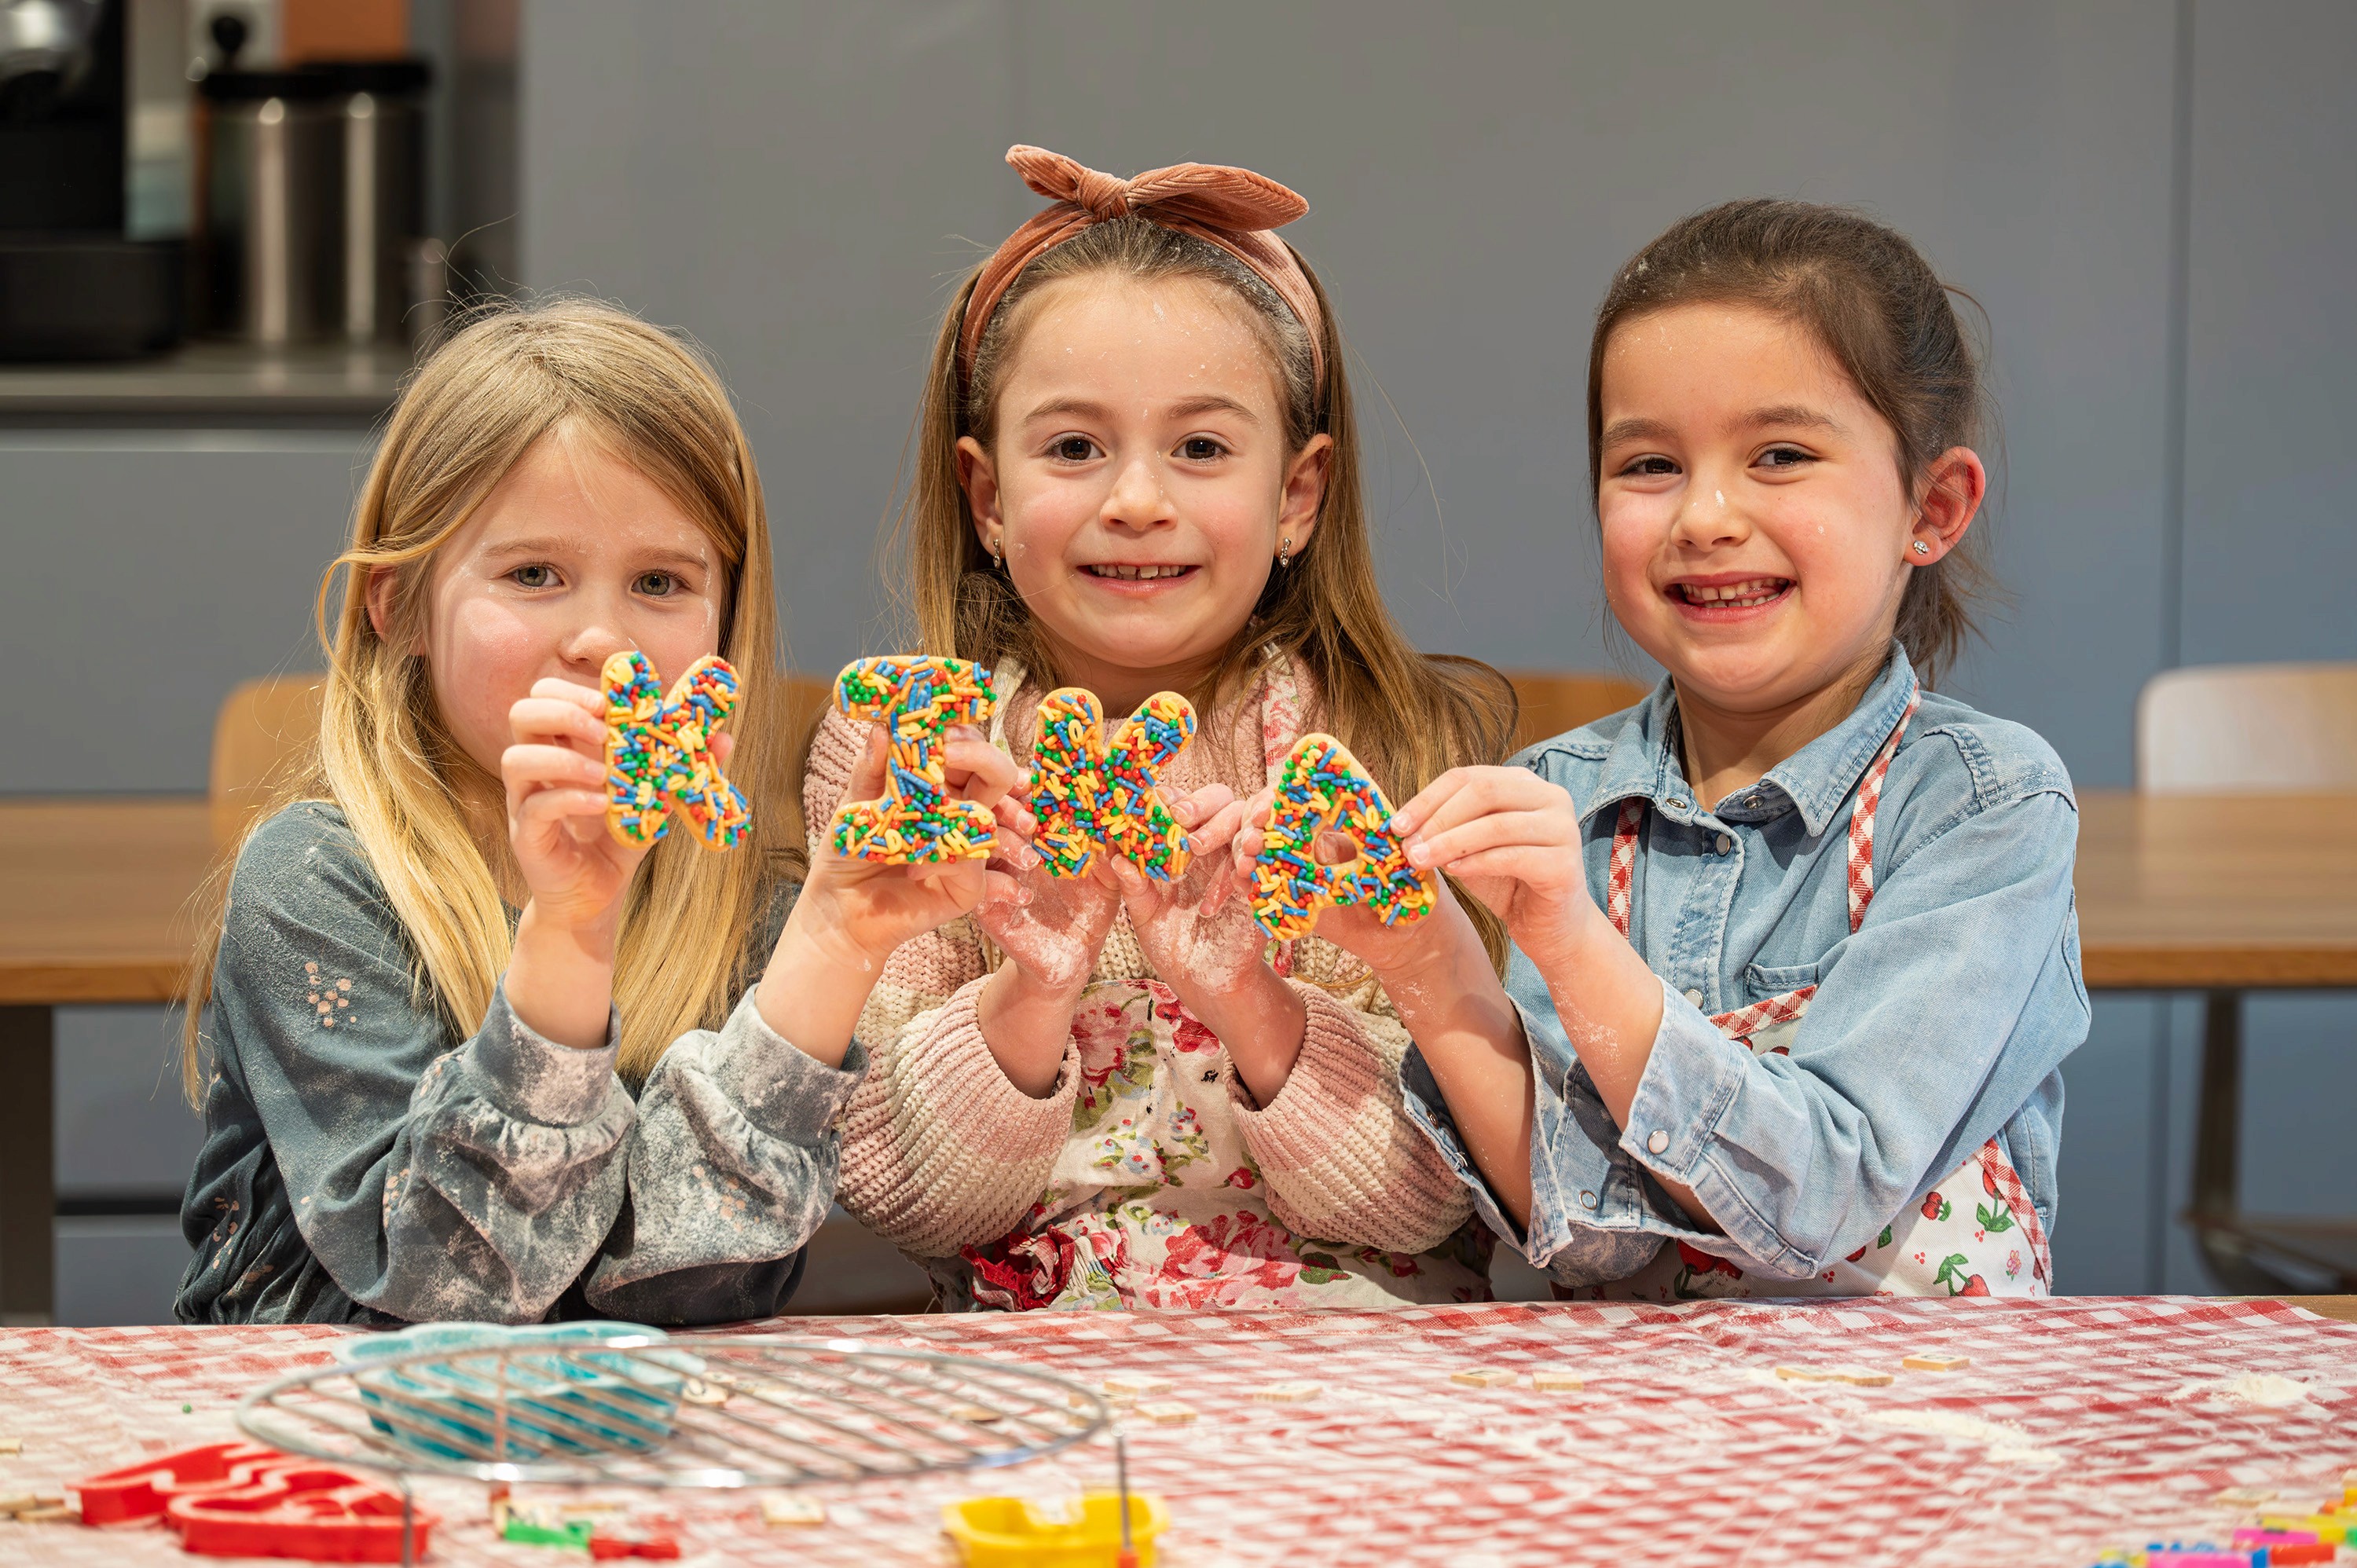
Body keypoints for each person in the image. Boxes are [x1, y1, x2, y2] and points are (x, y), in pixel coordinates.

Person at [177, 301, 1021, 1324]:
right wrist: (571, 931)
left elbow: (694, 1287)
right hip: (330, 1454)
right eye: (534, 574)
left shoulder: (747, 916)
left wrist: (834, 942)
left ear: (725, 627)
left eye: (660, 582)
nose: (600, 639)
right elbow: (457, 1286)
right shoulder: (313, 887)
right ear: (395, 604)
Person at [1313, 199, 2088, 1299]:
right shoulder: (1551, 805)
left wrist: (1575, 948)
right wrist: (1430, 969)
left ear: (1935, 503)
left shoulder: (1983, 807)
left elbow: (1824, 1192)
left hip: (1912, 1434)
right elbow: (1589, 1244)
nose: (1705, 516)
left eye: (1779, 454)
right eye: (1649, 465)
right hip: (1619, 1435)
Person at [806, 146, 1518, 1309]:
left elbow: (1443, 1191)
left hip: (1361, 1373)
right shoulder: (906, 753)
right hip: (1026, 1370)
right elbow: (900, 1195)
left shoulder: (1380, 747)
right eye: (1075, 447)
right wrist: (1031, 994)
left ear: (1298, 493)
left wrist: (1254, 1000)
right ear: (988, 499)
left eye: (1200, 447)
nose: (1137, 499)